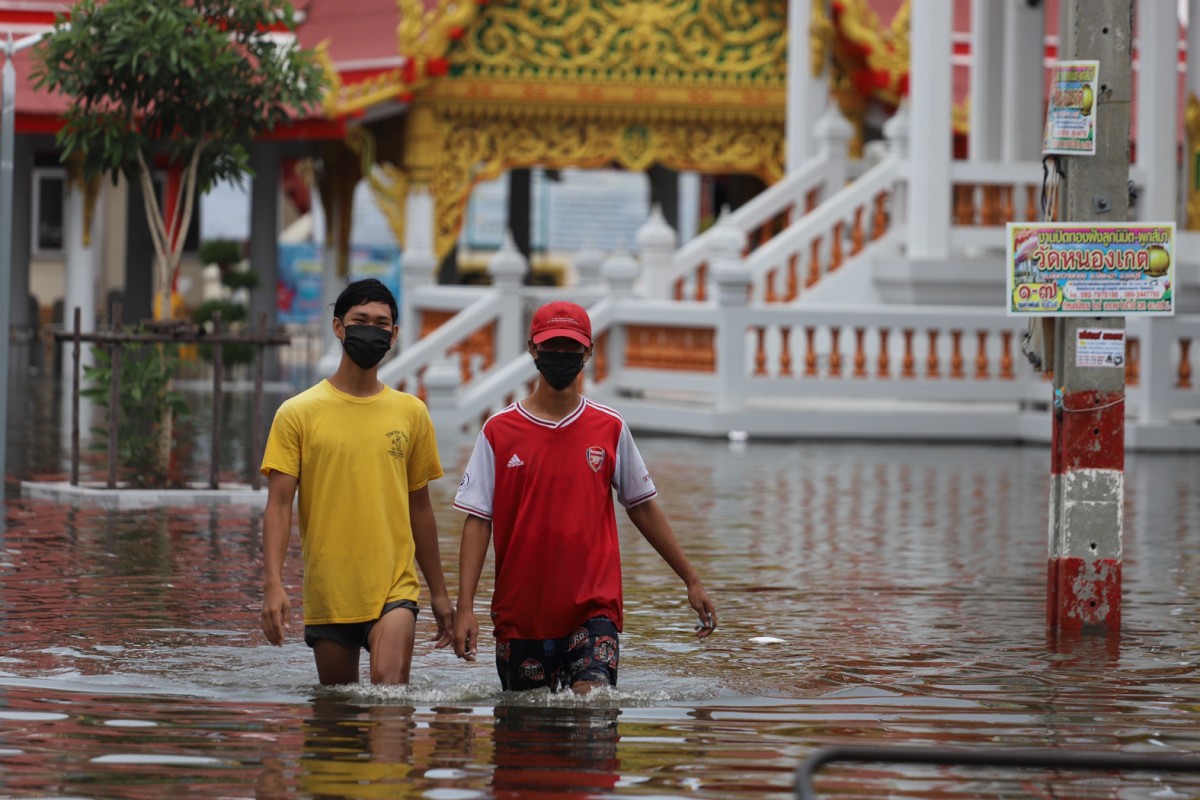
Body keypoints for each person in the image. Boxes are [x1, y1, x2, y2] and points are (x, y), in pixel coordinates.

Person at [452, 300, 717, 693]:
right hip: (521, 614)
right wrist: (465, 607)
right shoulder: (498, 432)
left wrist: (691, 579)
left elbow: (641, 506)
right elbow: (478, 520)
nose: (561, 357)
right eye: (551, 347)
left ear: (588, 352)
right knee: (524, 739)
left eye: (571, 349)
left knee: (590, 711)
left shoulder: (609, 427)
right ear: (532, 350)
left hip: (594, 609)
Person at [259, 278, 453, 685]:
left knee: (389, 693)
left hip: (395, 586)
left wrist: (439, 592)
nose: (371, 329)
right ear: (338, 327)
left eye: (381, 323)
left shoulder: (411, 412)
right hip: (330, 591)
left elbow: (421, 508)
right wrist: (273, 584)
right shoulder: (298, 413)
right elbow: (278, 505)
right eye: (360, 320)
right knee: (336, 719)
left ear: (394, 334)